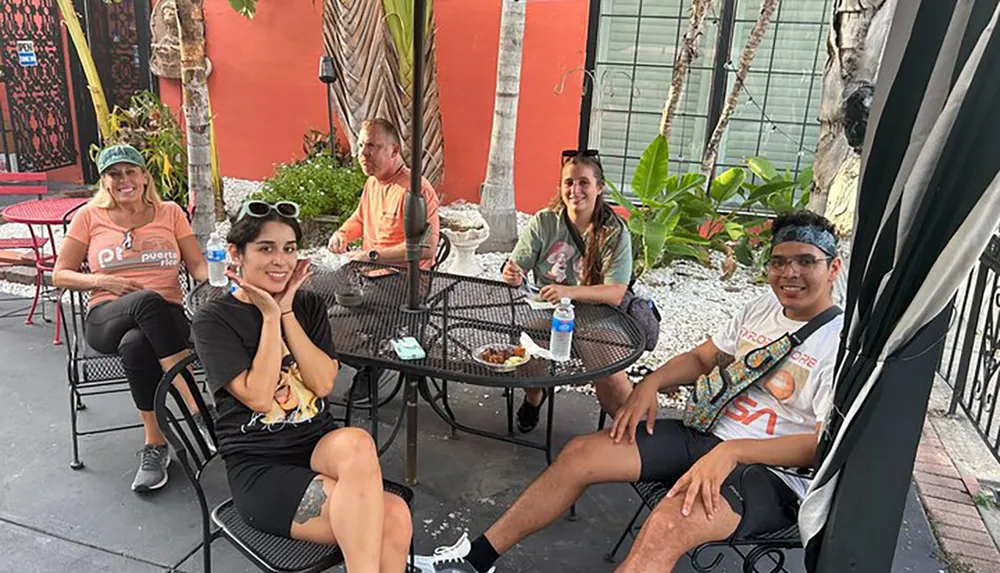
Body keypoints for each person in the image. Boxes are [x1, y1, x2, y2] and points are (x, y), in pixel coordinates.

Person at [419, 210, 845, 573]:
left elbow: (820, 446)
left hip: (770, 474)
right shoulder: (761, 307)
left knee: (666, 524)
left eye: (806, 261)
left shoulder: (841, 346)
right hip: (708, 435)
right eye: (780, 261)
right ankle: (475, 561)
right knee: (581, 453)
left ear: (834, 268)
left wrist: (733, 453)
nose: (790, 273)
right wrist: (651, 384)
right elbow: (702, 359)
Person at [191, 201, 412, 573]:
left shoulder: (307, 305)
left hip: (316, 446)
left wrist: (288, 312)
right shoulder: (213, 319)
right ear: (236, 254)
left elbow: (324, 384)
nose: (281, 260)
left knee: (357, 440)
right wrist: (269, 316)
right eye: (266, 248)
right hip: (261, 467)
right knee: (393, 516)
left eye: (289, 248)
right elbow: (260, 398)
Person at [54, 144, 210, 493]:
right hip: (106, 316)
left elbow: (196, 265)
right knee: (145, 304)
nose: (124, 179)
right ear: (105, 182)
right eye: (114, 173)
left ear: (144, 176)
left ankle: (155, 445)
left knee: (137, 344)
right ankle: (195, 406)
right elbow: (59, 275)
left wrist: (219, 274)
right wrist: (102, 280)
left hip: (166, 319)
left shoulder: (170, 213)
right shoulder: (89, 217)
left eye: (130, 171)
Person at [499, 149, 633, 433]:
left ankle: (632, 435)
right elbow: (516, 266)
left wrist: (568, 292)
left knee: (612, 376)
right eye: (568, 182)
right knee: (525, 342)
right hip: (548, 312)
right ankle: (534, 397)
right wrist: (511, 273)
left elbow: (615, 293)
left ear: (599, 187)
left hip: (597, 315)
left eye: (584, 182)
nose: (575, 190)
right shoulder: (545, 222)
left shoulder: (615, 231)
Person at [327, 118, 440, 403]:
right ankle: (344, 361)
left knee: (333, 322)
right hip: (363, 272)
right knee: (306, 299)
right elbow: (359, 218)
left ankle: (371, 362)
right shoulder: (372, 183)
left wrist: (373, 255)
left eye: (372, 146)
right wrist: (342, 233)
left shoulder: (416, 190)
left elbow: (425, 248)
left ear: (394, 151)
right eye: (361, 145)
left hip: (404, 280)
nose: (363, 154)